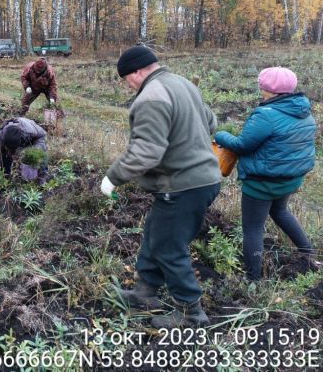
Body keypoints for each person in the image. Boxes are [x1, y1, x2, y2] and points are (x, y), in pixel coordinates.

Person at [101, 45, 220, 328]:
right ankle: (145, 292)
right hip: (203, 179)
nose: (127, 85)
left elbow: (146, 152)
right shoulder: (182, 85)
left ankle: (191, 314)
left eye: (126, 78)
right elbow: (211, 122)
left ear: (138, 71)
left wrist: (113, 177)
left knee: (169, 247)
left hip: (182, 185)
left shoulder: (151, 98)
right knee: (156, 233)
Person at [214, 67, 317, 281]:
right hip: (289, 179)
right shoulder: (304, 111)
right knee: (280, 211)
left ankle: (253, 279)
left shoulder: (266, 115)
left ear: (266, 88)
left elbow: (242, 145)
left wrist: (221, 135)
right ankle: (308, 252)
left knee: (252, 229)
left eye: (261, 86)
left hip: (262, 183)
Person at [0, 117, 48, 184]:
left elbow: (43, 135)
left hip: (37, 138)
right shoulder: (2, 136)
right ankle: (6, 177)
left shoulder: (29, 131)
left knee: (37, 154)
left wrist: (33, 150)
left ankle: (42, 177)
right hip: (15, 141)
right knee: (5, 154)